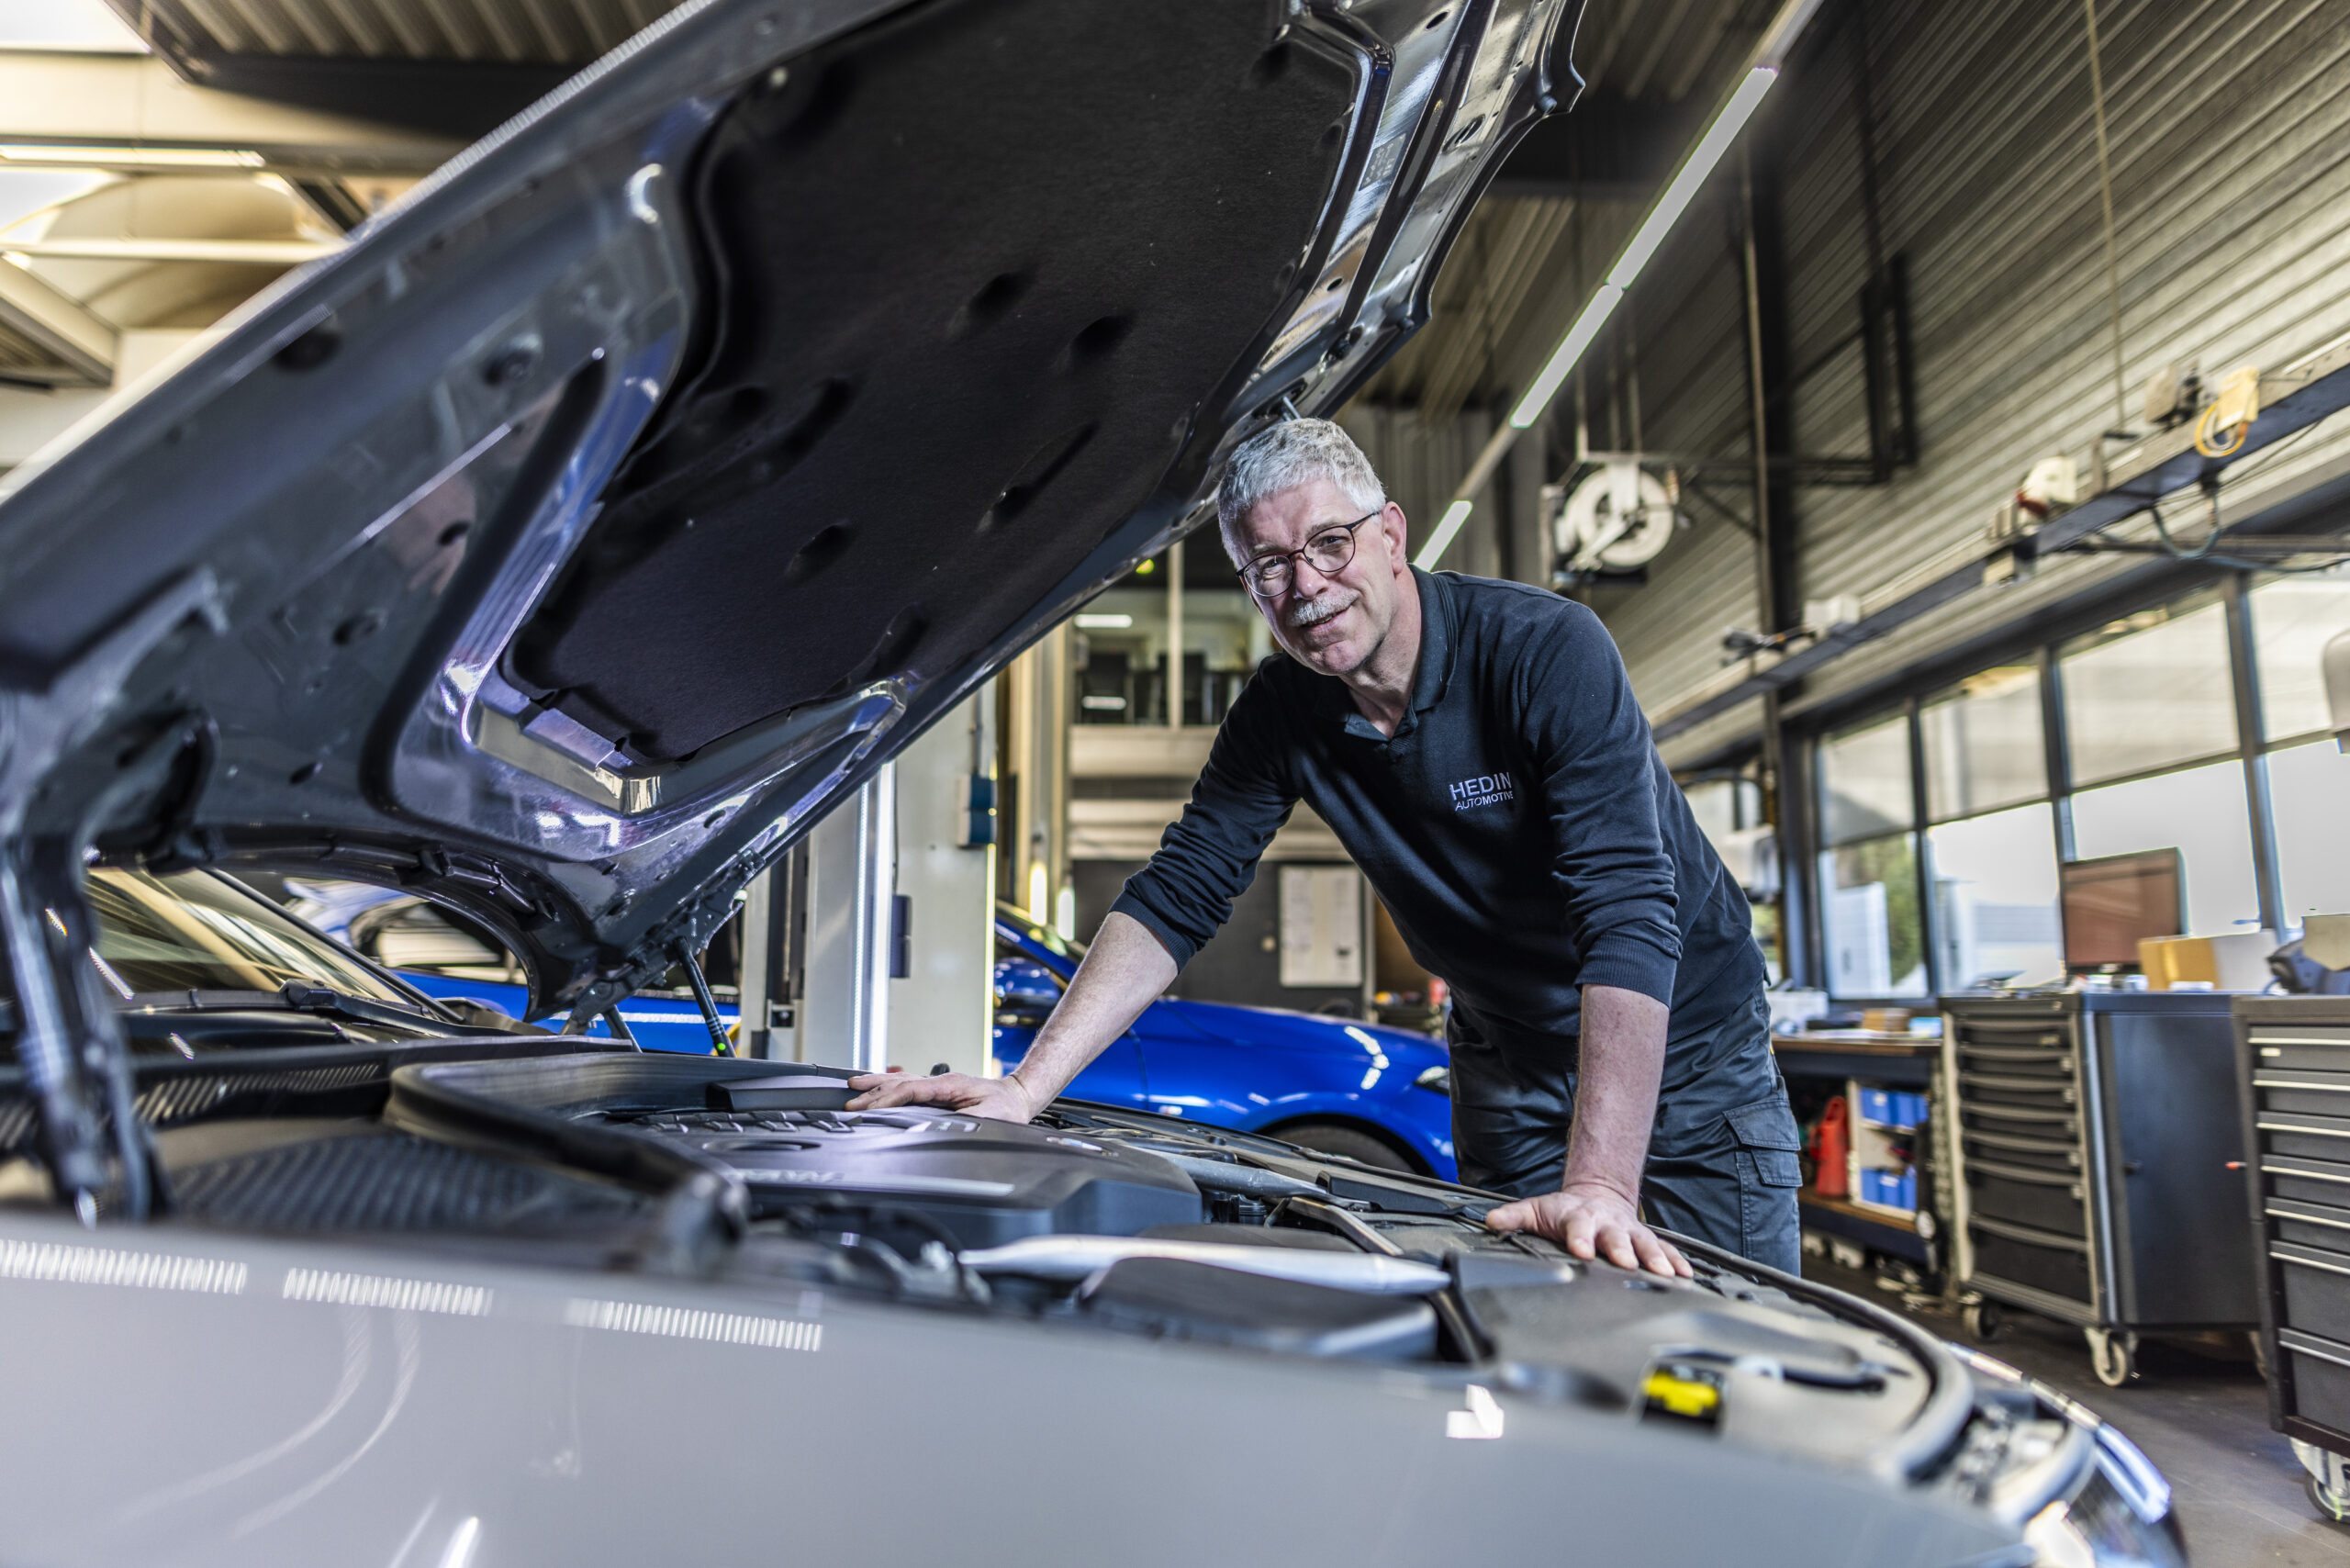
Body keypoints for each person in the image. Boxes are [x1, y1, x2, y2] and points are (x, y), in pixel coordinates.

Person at [848, 419, 1798, 1278]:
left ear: (1389, 534)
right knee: (1517, 1323)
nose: (1304, 585)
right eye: (1267, 567)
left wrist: (1597, 1182)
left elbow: (1626, 907)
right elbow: (1181, 890)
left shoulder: (1543, 651)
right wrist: (1022, 1090)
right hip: (1506, 1055)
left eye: (1328, 543)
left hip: (1683, 1054)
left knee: (1729, 1338)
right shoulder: (1283, 711)